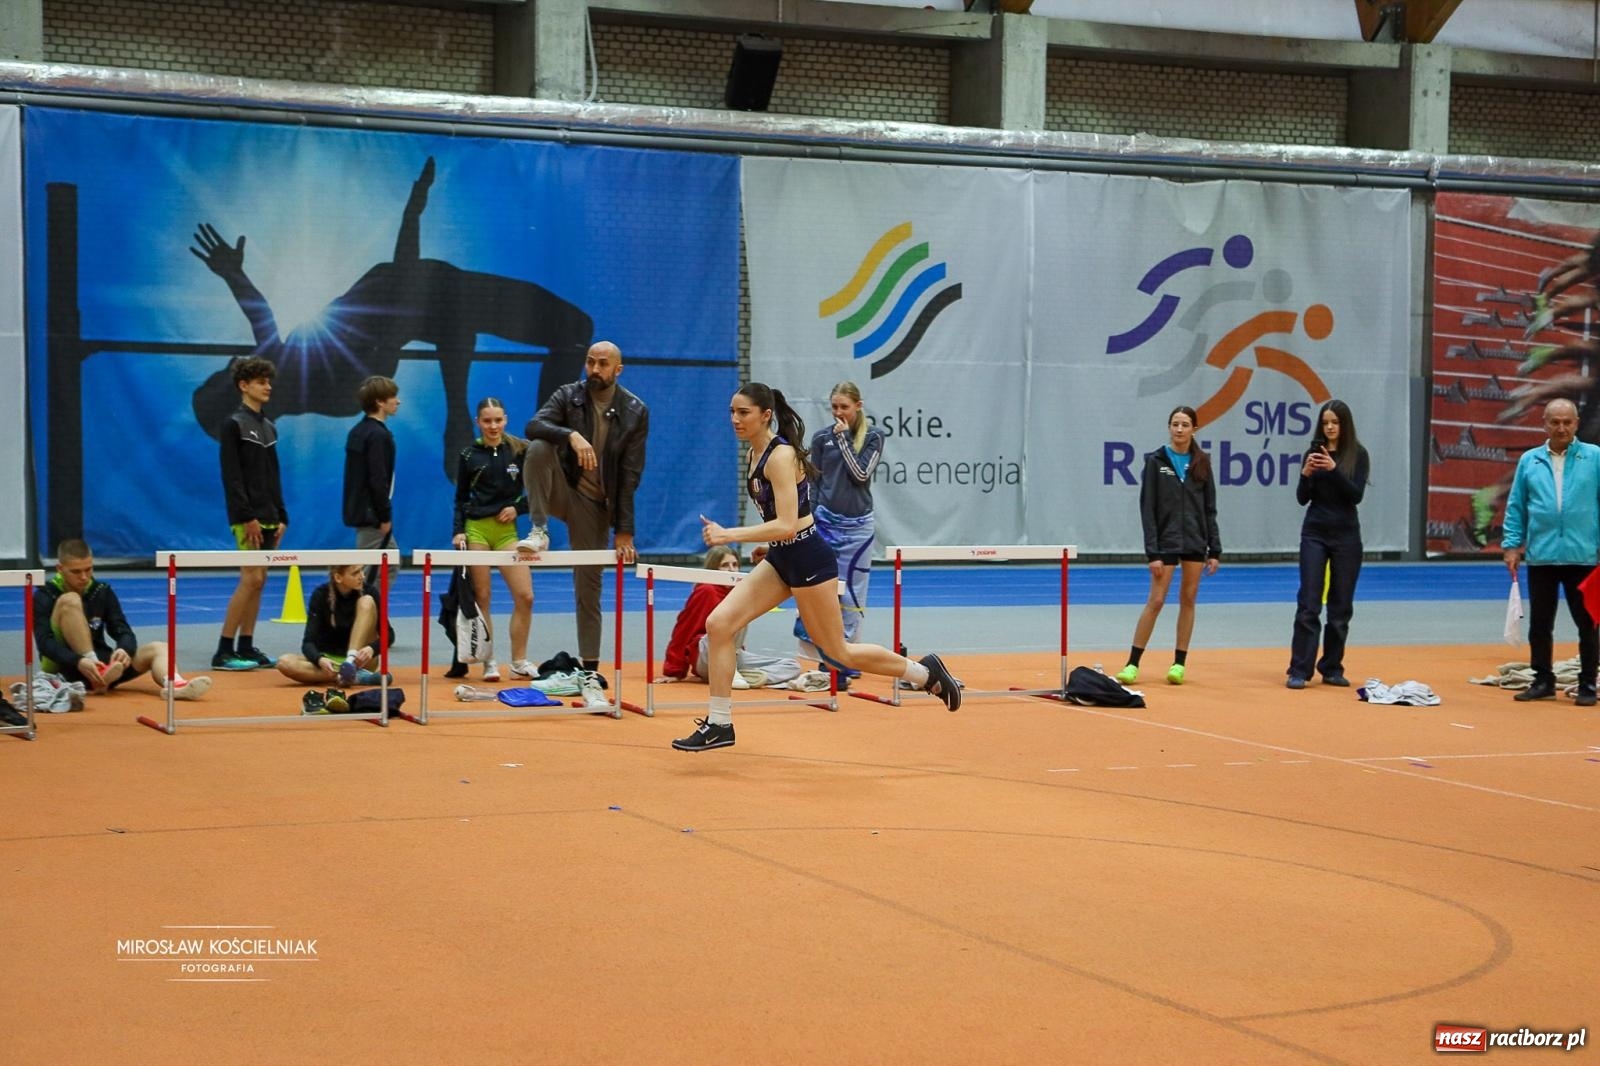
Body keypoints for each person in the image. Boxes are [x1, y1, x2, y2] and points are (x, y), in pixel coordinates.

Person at [190, 156, 594, 472]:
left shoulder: (295, 370)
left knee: (574, 329)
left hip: (435, 289)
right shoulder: (330, 386)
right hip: (442, 292)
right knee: (572, 329)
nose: (237, 364)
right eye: (230, 375)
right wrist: (411, 216)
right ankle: (545, 436)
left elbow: (259, 315)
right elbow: (414, 301)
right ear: (249, 395)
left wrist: (233, 272)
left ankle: (546, 434)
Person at [674, 383, 960, 752]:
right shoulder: (753, 454)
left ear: (765, 415)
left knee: (839, 652)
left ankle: (925, 673)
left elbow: (789, 524)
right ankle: (720, 723)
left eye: (743, 413)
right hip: (782, 558)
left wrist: (731, 533)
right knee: (719, 624)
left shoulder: (780, 456)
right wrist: (768, 542)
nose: (734, 419)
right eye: (731, 411)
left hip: (808, 558)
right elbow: (781, 522)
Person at [516, 341, 648, 675]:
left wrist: (624, 531)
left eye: (603, 364)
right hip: (563, 488)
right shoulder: (568, 395)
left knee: (588, 586)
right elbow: (533, 426)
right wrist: (571, 435)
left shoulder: (635, 411)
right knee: (539, 447)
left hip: (596, 504)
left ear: (617, 370)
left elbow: (630, 475)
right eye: (590, 363)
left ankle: (589, 670)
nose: (594, 370)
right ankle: (538, 529)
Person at [1113, 405, 1221, 686]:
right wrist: (1153, 551)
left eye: (1185, 424)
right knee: (1157, 600)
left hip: (1196, 542)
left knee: (1188, 598)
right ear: (1169, 427)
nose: (1180, 429)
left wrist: (1215, 549)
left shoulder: (1202, 462)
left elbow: (1210, 509)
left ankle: (1178, 664)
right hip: (1166, 542)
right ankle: (1132, 664)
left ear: (1194, 429)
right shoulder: (1156, 461)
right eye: (1175, 424)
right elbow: (1147, 508)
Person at [1501, 397, 1600, 706]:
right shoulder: (1529, 460)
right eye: (1554, 422)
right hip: (1542, 555)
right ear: (1544, 423)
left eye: (1566, 422)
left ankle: (1587, 684)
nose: (1561, 428)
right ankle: (1542, 679)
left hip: (1584, 556)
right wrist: (1511, 545)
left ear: (1576, 424)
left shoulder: (1595, 457)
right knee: (1540, 624)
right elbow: (1516, 506)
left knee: (1589, 624)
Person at [33, 539, 212, 701]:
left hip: (109, 670)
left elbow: (122, 629)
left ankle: (175, 685)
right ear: (59, 569)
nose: (84, 577)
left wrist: (124, 649)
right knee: (70, 600)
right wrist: (79, 661)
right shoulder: (45, 595)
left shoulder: (101, 590)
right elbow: (44, 643)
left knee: (159, 647)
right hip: (66, 668)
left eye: (89, 569)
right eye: (76, 572)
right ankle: (94, 667)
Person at [794, 381, 885, 678]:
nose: (838, 413)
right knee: (822, 590)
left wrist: (844, 439)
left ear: (858, 406)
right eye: (834, 407)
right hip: (825, 524)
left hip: (858, 528)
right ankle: (827, 654)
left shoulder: (873, 437)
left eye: (844, 407)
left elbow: (860, 474)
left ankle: (846, 656)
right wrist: (808, 520)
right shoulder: (821, 438)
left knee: (852, 595)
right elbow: (816, 483)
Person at [1286, 400, 1370, 689]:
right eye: (1325, 422)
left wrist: (1334, 469)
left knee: (1340, 606)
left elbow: (1355, 495)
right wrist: (1306, 475)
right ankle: (1299, 669)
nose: (1330, 427)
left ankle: (1332, 667)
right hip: (1315, 533)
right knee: (1309, 603)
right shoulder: (1313, 453)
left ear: (1344, 425)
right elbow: (1302, 498)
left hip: (1346, 535)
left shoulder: (1358, 455)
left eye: (1335, 422)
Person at [453, 397, 534, 682]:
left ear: (506, 420)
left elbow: (535, 492)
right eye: (487, 421)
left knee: (525, 596)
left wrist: (517, 508)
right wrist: (458, 530)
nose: (493, 426)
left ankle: (520, 661)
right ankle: (489, 661)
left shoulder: (520, 450)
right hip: (477, 530)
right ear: (478, 422)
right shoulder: (468, 455)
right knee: (483, 596)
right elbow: (461, 498)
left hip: (507, 533)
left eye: (498, 420)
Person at [214, 355, 287, 671]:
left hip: (271, 515)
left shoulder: (269, 427)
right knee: (250, 579)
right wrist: (246, 517)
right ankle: (223, 650)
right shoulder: (234, 425)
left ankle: (246, 645)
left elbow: (274, 475)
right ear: (243, 386)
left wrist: (282, 515)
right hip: (247, 518)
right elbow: (232, 476)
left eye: (268, 381)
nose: (267, 386)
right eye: (260, 381)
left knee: (260, 581)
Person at [656, 546, 801, 688]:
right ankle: (732, 674)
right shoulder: (707, 591)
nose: (732, 569)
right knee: (737, 614)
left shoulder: (738, 591)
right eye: (725, 565)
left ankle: (744, 676)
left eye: (735, 565)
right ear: (714, 568)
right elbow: (684, 629)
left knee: (792, 666)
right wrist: (674, 671)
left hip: (731, 654)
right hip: (707, 654)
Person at [275, 563, 389, 712]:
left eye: (361, 570)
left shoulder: (369, 591)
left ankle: (351, 666)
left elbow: (389, 635)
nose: (362, 576)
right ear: (338, 577)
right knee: (284, 662)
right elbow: (308, 642)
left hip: (361, 660)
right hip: (331, 663)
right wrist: (319, 659)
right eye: (355, 573)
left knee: (366, 601)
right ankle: (352, 677)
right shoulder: (320, 595)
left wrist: (372, 649)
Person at [343, 374, 400, 582]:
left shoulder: (359, 431)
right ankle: (365, 612)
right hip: (372, 516)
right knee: (370, 573)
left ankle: (373, 612)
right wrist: (383, 515)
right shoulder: (377, 435)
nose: (398, 401)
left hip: (365, 512)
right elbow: (377, 478)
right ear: (379, 401)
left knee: (386, 565)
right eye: (393, 396)